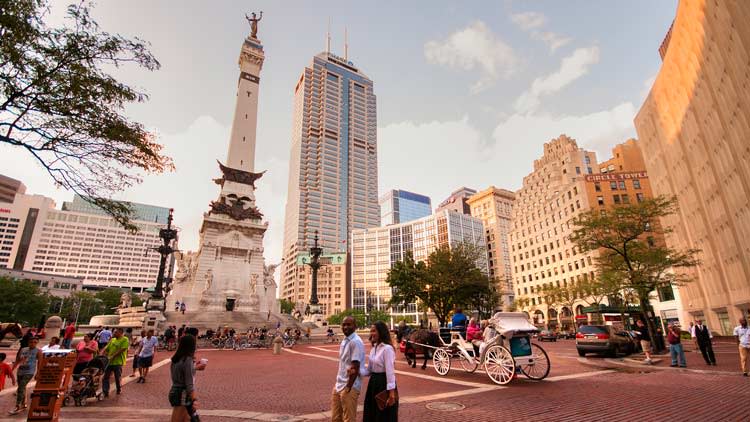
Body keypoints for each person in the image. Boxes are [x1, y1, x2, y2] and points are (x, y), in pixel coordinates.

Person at [361, 321, 398, 422]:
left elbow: (390, 372)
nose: (371, 333)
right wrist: (357, 371)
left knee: (384, 415)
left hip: (383, 383)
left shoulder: (387, 349)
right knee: (372, 413)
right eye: (371, 331)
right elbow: (369, 370)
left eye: (374, 331)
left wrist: (391, 393)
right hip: (373, 383)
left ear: (381, 332)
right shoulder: (374, 348)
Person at [331, 316, 364, 422]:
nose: (345, 327)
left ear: (355, 326)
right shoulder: (345, 340)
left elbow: (355, 366)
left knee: (349, 419)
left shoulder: (355, 342)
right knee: (336, 418)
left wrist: (348, 387)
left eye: (348, 324)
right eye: (344, 324)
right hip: (339, 385)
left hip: (350, 386)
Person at [169, 335, 199, 422]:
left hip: (175, 390)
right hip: (182, 393)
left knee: (187, 419)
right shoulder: (188, 360)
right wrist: (194, 399)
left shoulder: (176, 359)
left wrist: (194, 368)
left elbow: (179, 375)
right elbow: (189, 383)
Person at [9, 337, 42, 415]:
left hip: (29, 372)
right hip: (20, 371)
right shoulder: (23, 349)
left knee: (21, 387)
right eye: (31, 342)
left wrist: (38, 373)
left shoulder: (38, 351)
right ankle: (24, 404)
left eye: (35, 342)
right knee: (22, 387)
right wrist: (12, 370)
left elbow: (40, 363)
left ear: (37, 343)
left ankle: (17, 406)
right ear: (28, 342)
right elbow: (17, 360)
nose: (33, 344)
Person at [102, 328, 129, 397]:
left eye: (115, 332)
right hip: (109, 362)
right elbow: (106, 348)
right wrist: (102, 353)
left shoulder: (125, 339)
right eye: (114, 332)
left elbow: (122, 349)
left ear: (120, 332)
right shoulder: (113, 340)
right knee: (105, 377)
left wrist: (113, 356)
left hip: (118, 362)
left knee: (117, 377)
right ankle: (105, 391)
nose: (114, 333)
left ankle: (119, 389)